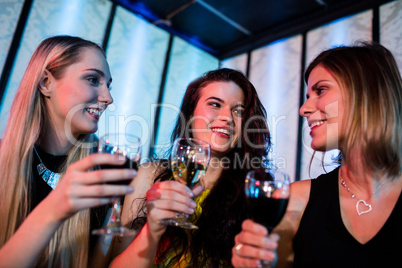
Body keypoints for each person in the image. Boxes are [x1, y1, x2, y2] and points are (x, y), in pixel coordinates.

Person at [231, 42, 402, 267]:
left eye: (320, 90)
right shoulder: (296, 200)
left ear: (367, 92)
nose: (303, 109)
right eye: (307, 94)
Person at [109, 68, 272, 267]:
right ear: (190, 112)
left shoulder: (253, 191)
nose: (227, 118)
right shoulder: (150, 175)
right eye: (215, 104)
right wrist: (152, 229)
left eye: (238, 111)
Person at [0, 35, 136, 267]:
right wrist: (54, 208)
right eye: (93, 79)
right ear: (45, 83)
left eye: (108, 86)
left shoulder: (105, 174)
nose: (108, 98)